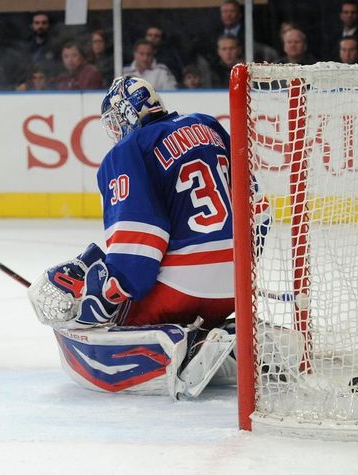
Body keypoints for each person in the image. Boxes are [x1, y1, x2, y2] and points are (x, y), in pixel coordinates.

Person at [27, 76, 264, 398]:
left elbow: (139, 240)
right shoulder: (209, 126)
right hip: (236, 286)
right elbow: (257, 208)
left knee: (111, 321)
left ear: (126, 113)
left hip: (181, 289)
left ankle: (184, 346)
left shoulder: (129, 150)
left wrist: (110, 292)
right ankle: (227, 335)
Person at [23, 11, 58, 77]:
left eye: (44, 23)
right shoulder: (25, 44)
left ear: (49, 25)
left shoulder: (56, 45)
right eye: (37, 23)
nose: (40, 26)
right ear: (32, 25)